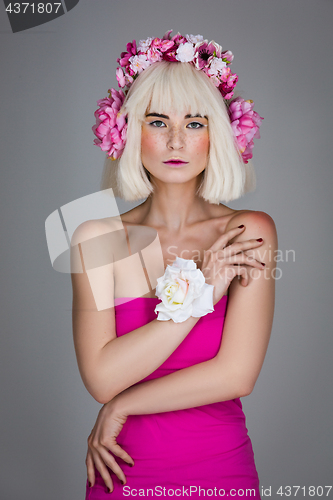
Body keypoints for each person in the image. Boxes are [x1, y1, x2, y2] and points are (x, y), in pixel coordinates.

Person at [70, 31, 278, 500]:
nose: (176, 140)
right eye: (158, 122)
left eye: (196, 123)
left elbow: (237, 373)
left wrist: (125, 406)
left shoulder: (249, 231)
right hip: (122, 473)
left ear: (218, 133)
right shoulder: (96, 239)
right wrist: (202, 289)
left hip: (219, 470)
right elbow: (103, 378)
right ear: (128, 131)